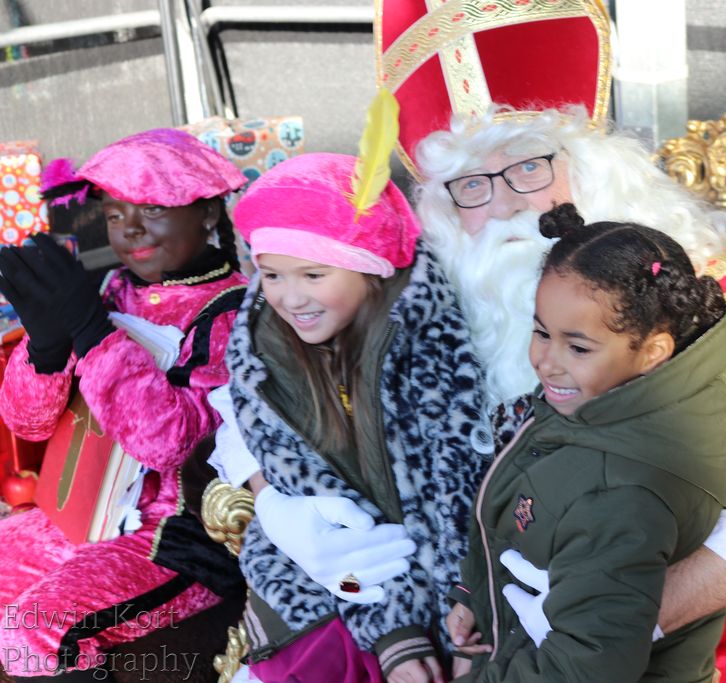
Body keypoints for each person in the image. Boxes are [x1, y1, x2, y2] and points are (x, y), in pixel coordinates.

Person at [417, 107, 726, 649]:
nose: (504, 205)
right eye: (472, 185)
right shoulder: (446, 314)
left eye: (528, 168)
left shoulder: (699, 294)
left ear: (595, 169)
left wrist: (613, 619)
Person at [446, 204, 726, 682]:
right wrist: (476, 595)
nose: (546, 361)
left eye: (577, 347)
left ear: (653, 352)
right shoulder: (599, 398)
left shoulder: (620, 494)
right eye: (541, 332)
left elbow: (581, 668)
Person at [220, 152, 492, 683]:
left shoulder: (429, 339)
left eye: (314, 273)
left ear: (370, 266)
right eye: (271, 274)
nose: (290, 297)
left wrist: (463, 611)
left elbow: (455, 495)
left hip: (455, 588)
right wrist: (394, 634)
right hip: (338, 587)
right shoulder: (263, 352)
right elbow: (321, 502)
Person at [0, 128, 248, 678]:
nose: (130, 227)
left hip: (177, 541)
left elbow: (170, 445)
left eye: (153, 208)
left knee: (32, 629)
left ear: (208, 212)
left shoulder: (236, 311)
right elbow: (28, 423)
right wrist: (45, 346)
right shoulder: (114, 288)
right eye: (115, 214)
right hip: (81, 512)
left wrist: (94, 334)